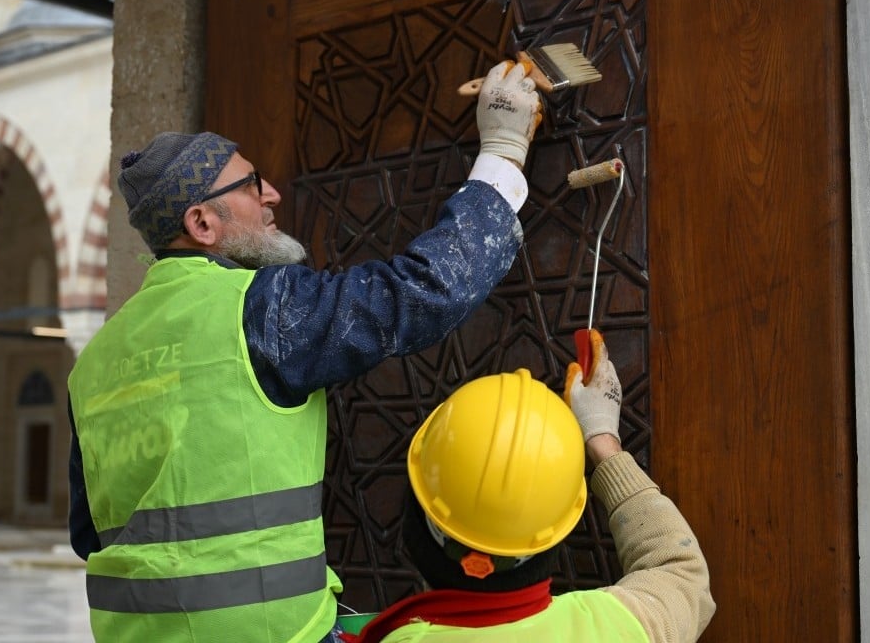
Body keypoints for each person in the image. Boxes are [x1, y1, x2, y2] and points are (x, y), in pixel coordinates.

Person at [65, 60, 544, 643]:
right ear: (201, 222)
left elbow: (90, 535)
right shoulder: (257, 309)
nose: (272, 194)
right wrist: (501, 154)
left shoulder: (93, 364)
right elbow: (419, 292)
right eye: (249, 185)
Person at [345, 330, 715, 643]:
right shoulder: (613, 628)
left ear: (413, 523)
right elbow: (681, 573)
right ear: (555, 535)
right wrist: (603, 441)